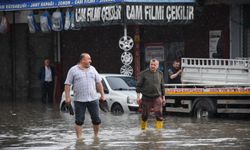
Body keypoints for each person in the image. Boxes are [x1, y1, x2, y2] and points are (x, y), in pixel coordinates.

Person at [64, 53, 105, 139]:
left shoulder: (93, 69)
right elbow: (67, 84)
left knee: (96, 120)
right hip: (79, 100)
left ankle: (96, 137)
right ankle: (79, 139)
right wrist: (67, 98)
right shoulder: (73, 70)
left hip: (93, 99)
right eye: (89, 59)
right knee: (79, 121)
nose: (90, 61)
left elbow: (99, 83)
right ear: (83, 60)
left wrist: (102, 95)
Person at [136, 59, 165, 130]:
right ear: (149, 65)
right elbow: (138, 86)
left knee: (159, 114)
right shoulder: (143, 74)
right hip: (146, 97)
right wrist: (138, 97)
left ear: (157, 66)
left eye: (154, 65)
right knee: (145, 116)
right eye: (151, 64)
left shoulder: (160, 73)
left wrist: (163, 98)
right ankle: (143, 130)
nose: (153, 66)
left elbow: (162, 86)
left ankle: (159, 132)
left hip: (157, 97)